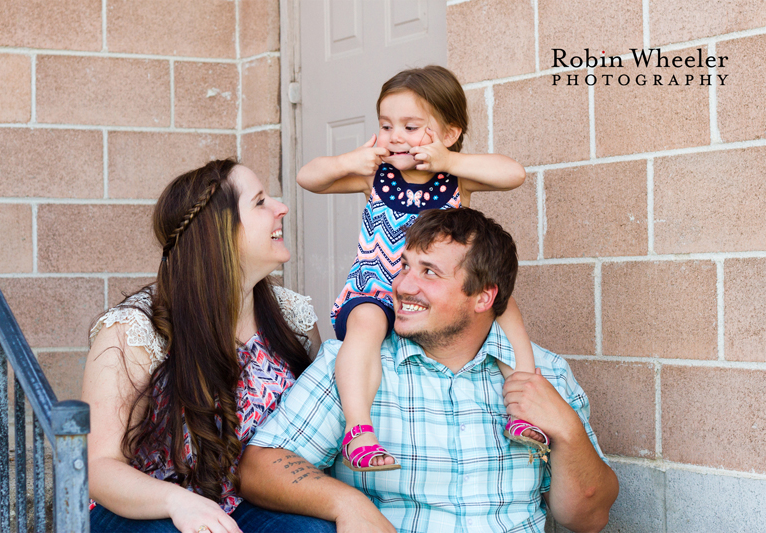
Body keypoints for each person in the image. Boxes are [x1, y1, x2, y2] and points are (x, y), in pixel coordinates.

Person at [239, 208, 619, 533]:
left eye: (429, 272)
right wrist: (347, 504)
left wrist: (567, 429)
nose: (403, 285)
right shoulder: (354, 362)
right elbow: (260, 467)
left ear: (483, 296)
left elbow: (588, 518)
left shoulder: (544, 372)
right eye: (404, 266)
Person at [295, 65, 547, 472]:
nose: (396, 136)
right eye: (386, 125)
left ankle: (523, 408)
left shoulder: (454, 178)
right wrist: (350, 159)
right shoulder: (376, 176)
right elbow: (309, 178)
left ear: (448, 132)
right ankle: (359, 432)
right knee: (363, 325)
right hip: (377, 285)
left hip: (439, 292)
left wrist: (450, 158)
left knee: (504, 306)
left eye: (411, 127)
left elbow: (513, 174)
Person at [82, 159, 337, 533]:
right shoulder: (134, 330)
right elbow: (99, 468)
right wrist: (178, 503)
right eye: (260, 202)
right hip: (146, 507)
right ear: (219, 230)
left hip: (246, 503)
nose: (281, 208)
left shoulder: (292, 318)